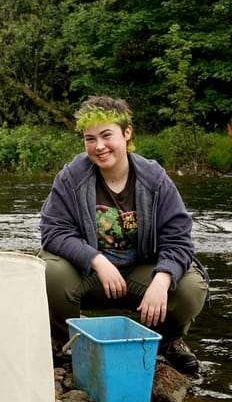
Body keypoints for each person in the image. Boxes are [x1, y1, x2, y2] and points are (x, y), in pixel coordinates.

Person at [39, 95, 208, 374]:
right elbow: (53, 231)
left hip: (140, 272)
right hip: (90, 276)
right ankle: (63, 343)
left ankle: (168, 344)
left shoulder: (155, 179)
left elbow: (178, 240)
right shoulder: (71, 177)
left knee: (191, 287)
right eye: (90, 139)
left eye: (107, 135)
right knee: (49, 272)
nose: (99, 146)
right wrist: (96, 260)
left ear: (127, 133)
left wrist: (162, 278)